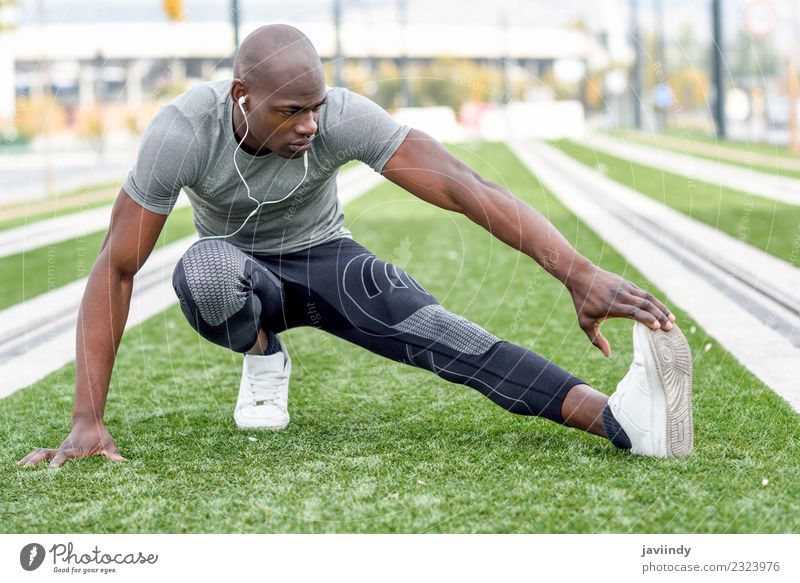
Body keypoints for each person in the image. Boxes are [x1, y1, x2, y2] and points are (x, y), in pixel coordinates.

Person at [18, 24, 693, 469]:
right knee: (205, 270)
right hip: (240, 275)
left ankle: (620, 420)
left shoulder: (338, 115)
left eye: (315, 107)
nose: (310, 124)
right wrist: (87, 419)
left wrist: (575, 272)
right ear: (241, 96)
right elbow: (116, 267)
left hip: (327, 259)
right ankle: (262, 356)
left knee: (451, 338)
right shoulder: (183, 131)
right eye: (290, 111)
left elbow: (462, 184)